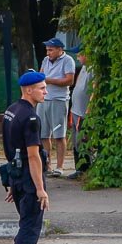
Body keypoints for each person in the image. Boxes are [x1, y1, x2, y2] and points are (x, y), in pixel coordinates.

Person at [2, 71, 51, 244]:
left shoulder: (11, 110)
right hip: (29, 179)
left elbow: (11, 150)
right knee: (30, 227)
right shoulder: (31, 118)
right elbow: (32, 156)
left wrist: (12, 183)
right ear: (29, 90)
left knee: (26, 224)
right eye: (42, 88)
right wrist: (40, 189)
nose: (45, 92)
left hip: (17, 176)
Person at [37, 37, 75, 177]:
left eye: (51, 50)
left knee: (59, 135)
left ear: (60, 49)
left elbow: (69, 80)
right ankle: (47, 165)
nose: (48, 53)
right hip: (43, 99)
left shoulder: (68, 60)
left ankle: (60, 167)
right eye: (47, 50)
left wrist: (49, 80)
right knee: (43, 134)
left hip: (58, 100)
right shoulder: (46, 60)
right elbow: (41, 74)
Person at [67, 45, 92, 178]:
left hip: (83, 111)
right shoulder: (83, 67)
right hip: (76, 109)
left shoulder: (93, 69)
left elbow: (95, 88)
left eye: (79, 55)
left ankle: (85, 168)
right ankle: (79, 168)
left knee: (82, 139)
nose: (77, 58)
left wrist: (89, 108)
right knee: (76, 139)